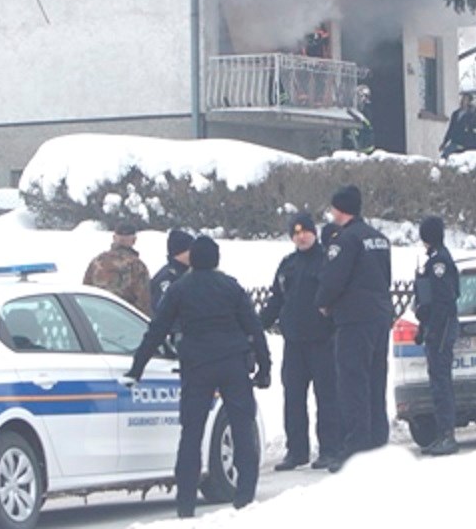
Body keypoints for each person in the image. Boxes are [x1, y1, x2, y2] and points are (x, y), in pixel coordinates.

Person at [123, 236, 271, 518]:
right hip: (233, 363)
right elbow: (254, 327)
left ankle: (186, 504)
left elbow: (157, 329)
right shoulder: (231, 286)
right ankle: (244, 497)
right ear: (216, 259)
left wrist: (137, 366)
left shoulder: (180, 289)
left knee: (191, 433)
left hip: (197, 366)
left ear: (192, 259)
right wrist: (264, 367)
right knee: (242, 427)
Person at [315, 185, 392, 472]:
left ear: (340, 209)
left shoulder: (344, 241)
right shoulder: (380, 239)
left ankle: (357, 447)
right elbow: (385, 278)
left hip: (353, 320)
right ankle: (377, 439)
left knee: (352, 384)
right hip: (379, 317)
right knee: (376, 380)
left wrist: (322, 302)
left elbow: (333, 279)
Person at [259, 212, 339, 471]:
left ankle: (329, 448)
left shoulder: (327, 260)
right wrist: (257, 325)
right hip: (294, 342)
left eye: (305, 231)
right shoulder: (287, 265)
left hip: (323, 341)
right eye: (295, 233)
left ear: (314, 233)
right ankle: (296, 451)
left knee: (326, 397)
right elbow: (276, 300)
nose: (301, 236)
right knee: (293, 398)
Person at [413, 216, 461, 453]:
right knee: (438, 382)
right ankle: (442, 433)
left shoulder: (439, 262)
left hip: (441, 329)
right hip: (436, 327)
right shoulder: (436, 259)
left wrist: (433, 328)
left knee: (441, 383)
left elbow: (443, 300)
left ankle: (447, 435)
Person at [82, 222, 151, 314]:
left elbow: (85, 293)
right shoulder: (137, 266)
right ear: (134, 240)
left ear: (114, 238)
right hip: (125, 320)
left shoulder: (97, 262)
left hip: (98, 318)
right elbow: (144, 302)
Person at [150, 228, 193, 315]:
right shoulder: (167, 278)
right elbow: (161, 311)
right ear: (180, 252)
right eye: (191, 250)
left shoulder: (187, 274)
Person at [440, 93, 476, 158]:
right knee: (445, 156)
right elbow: (450, 129)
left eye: (465, 99)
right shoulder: (456, 114)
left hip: (466, 145)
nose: (462, 101)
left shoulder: (473, 115)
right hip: (455, 142)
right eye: (462, 99)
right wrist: (444, 142)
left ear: (469, 101)